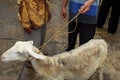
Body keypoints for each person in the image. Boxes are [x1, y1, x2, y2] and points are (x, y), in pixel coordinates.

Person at [17, 0, 51, 67]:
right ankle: (31, 60)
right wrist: (25, 24)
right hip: (31, 20)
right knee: (32, 42)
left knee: (41, 38)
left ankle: (39, 52)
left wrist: (47, 12)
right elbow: (21, 6)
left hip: (42, 15)